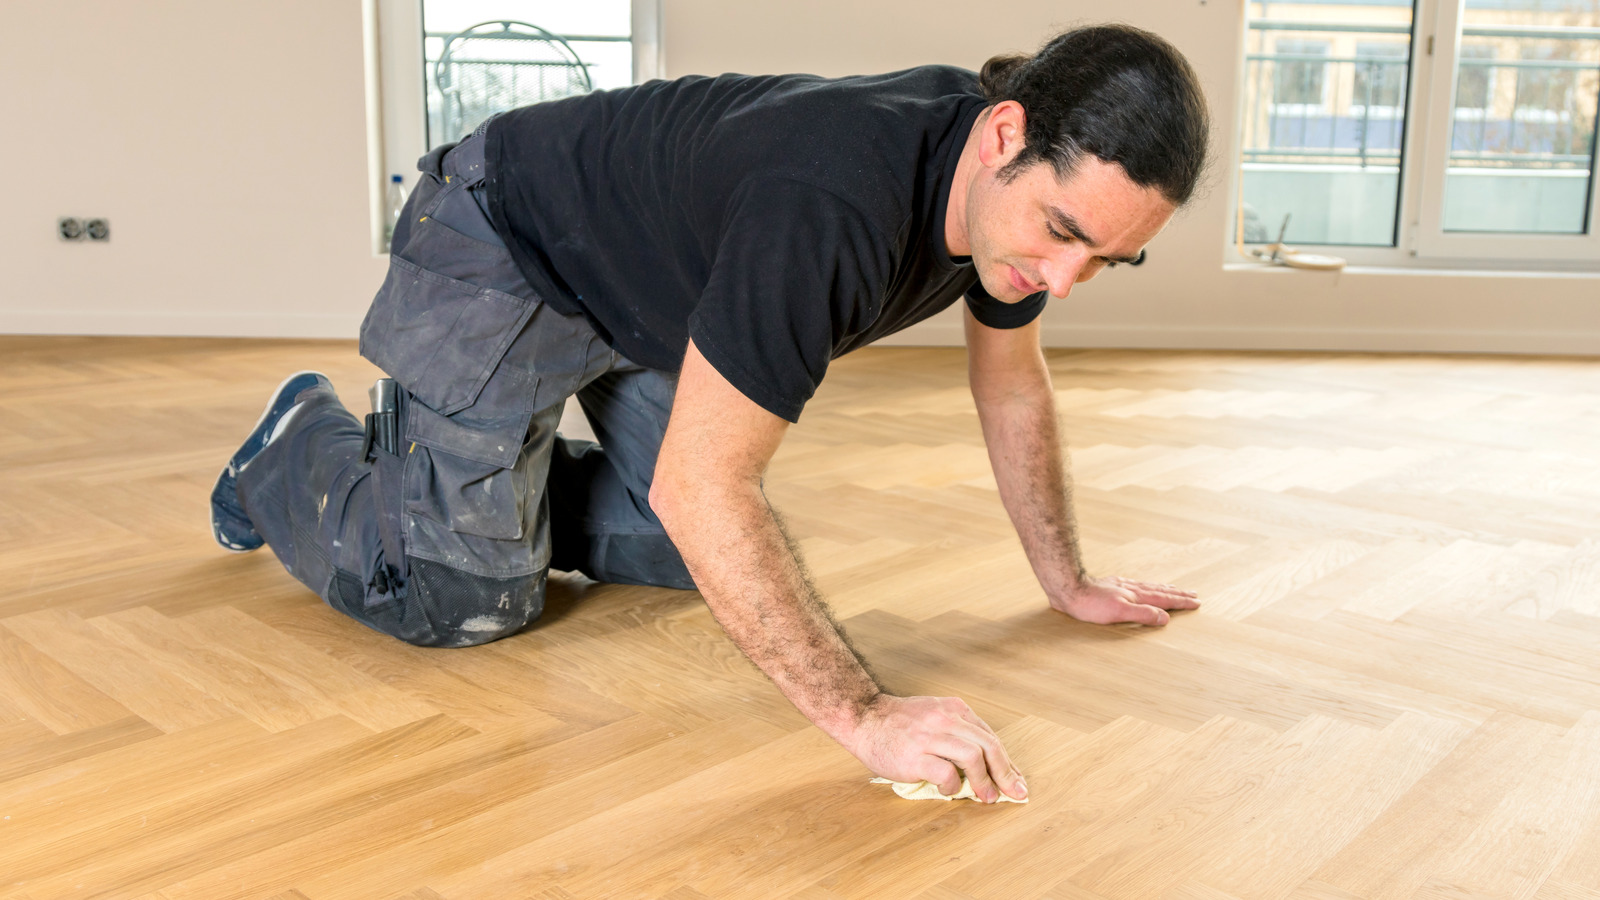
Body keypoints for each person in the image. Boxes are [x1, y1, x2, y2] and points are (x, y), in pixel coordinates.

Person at [210, 23, 1208, 804]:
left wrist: (1065, 579)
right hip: (512, 241)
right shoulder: (833, 206)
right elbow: (704, 482)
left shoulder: (1006, 205)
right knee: (457, 603)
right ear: (1004, 137)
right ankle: (298, 442)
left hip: (652, 298)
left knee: (704, 552)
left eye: (1103, 260)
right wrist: (864, 718)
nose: (1065, 280)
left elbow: (1011, 381)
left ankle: (474, 484)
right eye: (1065, 234)